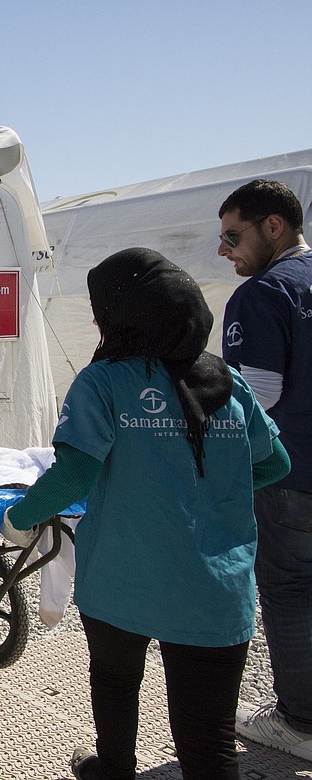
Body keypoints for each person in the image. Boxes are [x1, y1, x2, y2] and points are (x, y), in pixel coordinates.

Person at [3, 248, 289, 779]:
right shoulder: (228, 383)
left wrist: (19, 519)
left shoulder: (103, 382)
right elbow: (275, 464)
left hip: (121, 580)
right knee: (209, 744)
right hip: (214, 590)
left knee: (114, 683)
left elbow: (73, 476)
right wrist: (203, 491)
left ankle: (114, 770)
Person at [218, 179, 312, 761]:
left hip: (293, 474)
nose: (224, 251)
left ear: (273, 226)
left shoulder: (262, 294)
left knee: (291, 592)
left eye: (233, 236)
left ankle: (300, 721)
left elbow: (257, 396)